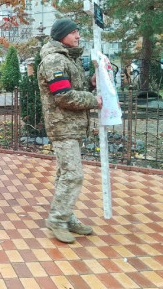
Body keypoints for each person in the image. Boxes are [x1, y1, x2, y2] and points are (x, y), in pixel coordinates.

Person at [37, 18, 103, 243]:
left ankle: (67, 216)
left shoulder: (67, 58)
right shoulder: (54, 60)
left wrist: (92, 83)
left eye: (78, 31)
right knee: (73, 174)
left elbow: (76, 87)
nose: (78, 36)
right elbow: (63, 96)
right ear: (61, 35)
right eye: (73, 32)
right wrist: (94, 100)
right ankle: (57, 220)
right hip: (62, 126)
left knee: (64, 174)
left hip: (71, 126)